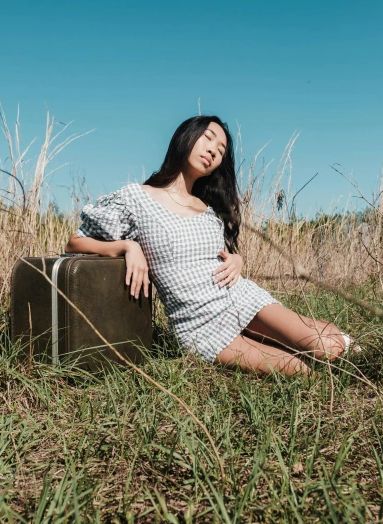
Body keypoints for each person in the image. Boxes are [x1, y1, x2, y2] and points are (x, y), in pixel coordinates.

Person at [66, 115, 354, 376]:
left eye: (221, 150)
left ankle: (349, 343)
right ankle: (337, 345)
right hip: (200, 327)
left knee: (326, 347)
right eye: (208, 138)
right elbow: (74, 243)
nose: (214, 150)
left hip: (239, 298)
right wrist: (128, 247)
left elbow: (213, 255)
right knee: (303, 370)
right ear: (185, 137)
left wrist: (236, 261)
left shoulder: (207, 208)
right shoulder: (135, 198)